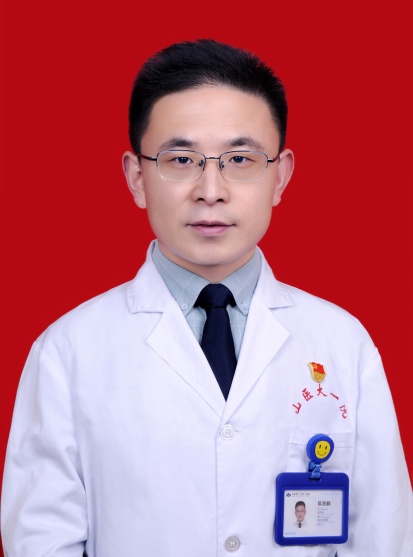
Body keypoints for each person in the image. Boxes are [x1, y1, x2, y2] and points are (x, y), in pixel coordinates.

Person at [1, 39, 412, 557]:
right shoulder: (66, 351)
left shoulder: (343, 343)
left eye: (240, 159)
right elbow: (42, 543)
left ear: (280, 176)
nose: (211, 190)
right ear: (137, 178)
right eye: (181, 159)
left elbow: (384, 536)